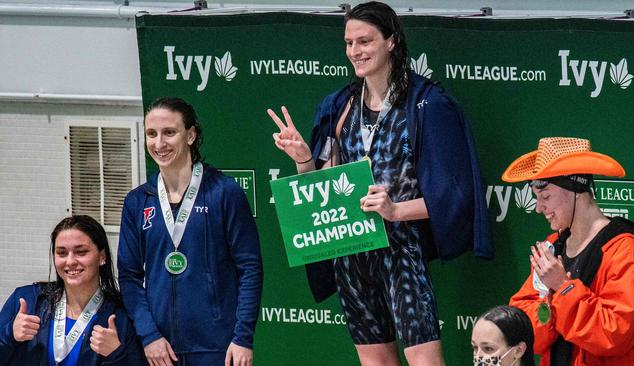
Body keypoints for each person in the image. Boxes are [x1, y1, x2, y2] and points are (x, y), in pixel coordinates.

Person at [267, 2, 491, 364]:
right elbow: (320, 189)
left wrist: (395, 209)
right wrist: (302, 159)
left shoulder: (426, 104)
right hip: (350, 253)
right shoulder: (339, 105)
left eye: (365, 41)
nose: (355, 51)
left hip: (402, 252)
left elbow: (455, 196)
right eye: (349, 43)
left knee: (425, 361)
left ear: (391, 42)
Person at [118, 97, 263, 366]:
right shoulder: (138, 202)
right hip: (158, 349)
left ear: (191, 135)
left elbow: (250, 268)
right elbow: (129, 276)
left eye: (169, 132)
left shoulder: (224, 192)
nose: (159, 143)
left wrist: (243, 337)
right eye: (151, 134)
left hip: (217, 346)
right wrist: (148, 335)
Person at [504, 137, 634, 365]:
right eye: (537, 198)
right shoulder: (553, 245)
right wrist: (550, 307)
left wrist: (562, 287)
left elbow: (614, 334)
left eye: (546, 197)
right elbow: (522, 325)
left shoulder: (625, 249)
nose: (539, 208)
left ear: (575, 191)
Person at [0, 215, 145, 365]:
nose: (70, 261)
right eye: (62, 253)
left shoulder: (122, 315)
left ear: (102, 257)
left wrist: (116, 355)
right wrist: (9, 334)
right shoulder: (27, 300)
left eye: (81, 252)